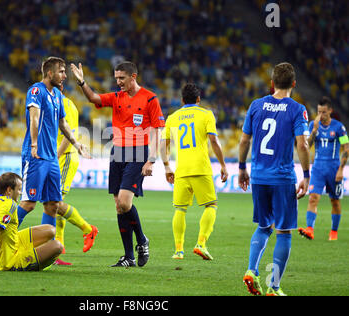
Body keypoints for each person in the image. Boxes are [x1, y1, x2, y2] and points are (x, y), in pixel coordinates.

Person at [71, 61, 165, 267]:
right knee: (119, 206)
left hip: (139, 152)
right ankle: (129, 256)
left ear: (133, 77)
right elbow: (93, 98)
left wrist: (152, 159)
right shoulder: (116, 97)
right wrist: (82, 82)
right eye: (116, 78)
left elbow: (158, 130)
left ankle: (142, 240)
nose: (118, 82)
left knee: (124, 202)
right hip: (117, 153)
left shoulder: (150, 98)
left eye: (122, 78)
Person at [238, 62, 310, 296]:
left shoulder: (256, 105)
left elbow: (243, 141)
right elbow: (302, 144)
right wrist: (307, 175)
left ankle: (251, 270)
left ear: (271, 83)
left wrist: (241, 168)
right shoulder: (297, 109)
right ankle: (274, 287)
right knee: (284, 232)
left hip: (258, 176)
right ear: (294, 84)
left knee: (263, 226)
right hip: (282, 177)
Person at [16, 57, 89, 234]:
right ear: (50, 73)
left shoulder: (56, 95)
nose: (65, 75)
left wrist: (76, 143)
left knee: (52, 204)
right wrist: (34, 144)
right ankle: (0, 234)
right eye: (61, 71)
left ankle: (45, 249)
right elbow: (34, 117)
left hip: (52, 159)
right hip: (37, 156)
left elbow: (63, 124)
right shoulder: (36, 90)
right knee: (29, 203)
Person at [160, 83, 228, 261]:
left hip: (181, 170)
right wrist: (223, 165)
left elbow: (163, 145)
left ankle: (178, 251)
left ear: (182, 100)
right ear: (198, 99)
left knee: (180, 210)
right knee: (211, 205)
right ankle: (201, 244)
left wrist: (167, 166)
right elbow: (214, 141)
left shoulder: (173, 118)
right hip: (200, 168)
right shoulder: (206, 114)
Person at [0, 172, 62, 272]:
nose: (20, 193)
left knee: (50, 230)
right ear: (9, 190)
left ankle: (33, 255)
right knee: (57, 246)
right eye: (19, 189)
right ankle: (36, 262)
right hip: (10, 261)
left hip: (14, 244)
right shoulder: (9, 203)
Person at [55, 84, 98, 265]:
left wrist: (55, 157)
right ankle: (58, 247)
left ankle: (88, 229)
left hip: (64, 158)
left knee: (55, 203)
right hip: (60, 157)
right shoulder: (58, 103)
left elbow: (68, 135)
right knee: (53, 204)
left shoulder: (66, 105)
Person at [298, 97, 348, 241]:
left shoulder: (339, 127)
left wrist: (340, 170)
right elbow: (306, 145)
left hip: (333, 169)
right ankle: (310, 229)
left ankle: (334, 232)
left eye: (324, 112)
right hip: (318, 168)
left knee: (335, 201)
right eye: (319, 112)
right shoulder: (313, 125)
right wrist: (314, 130)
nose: (321, 115)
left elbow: (346, 148)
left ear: (330, 111)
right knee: (313, 198)